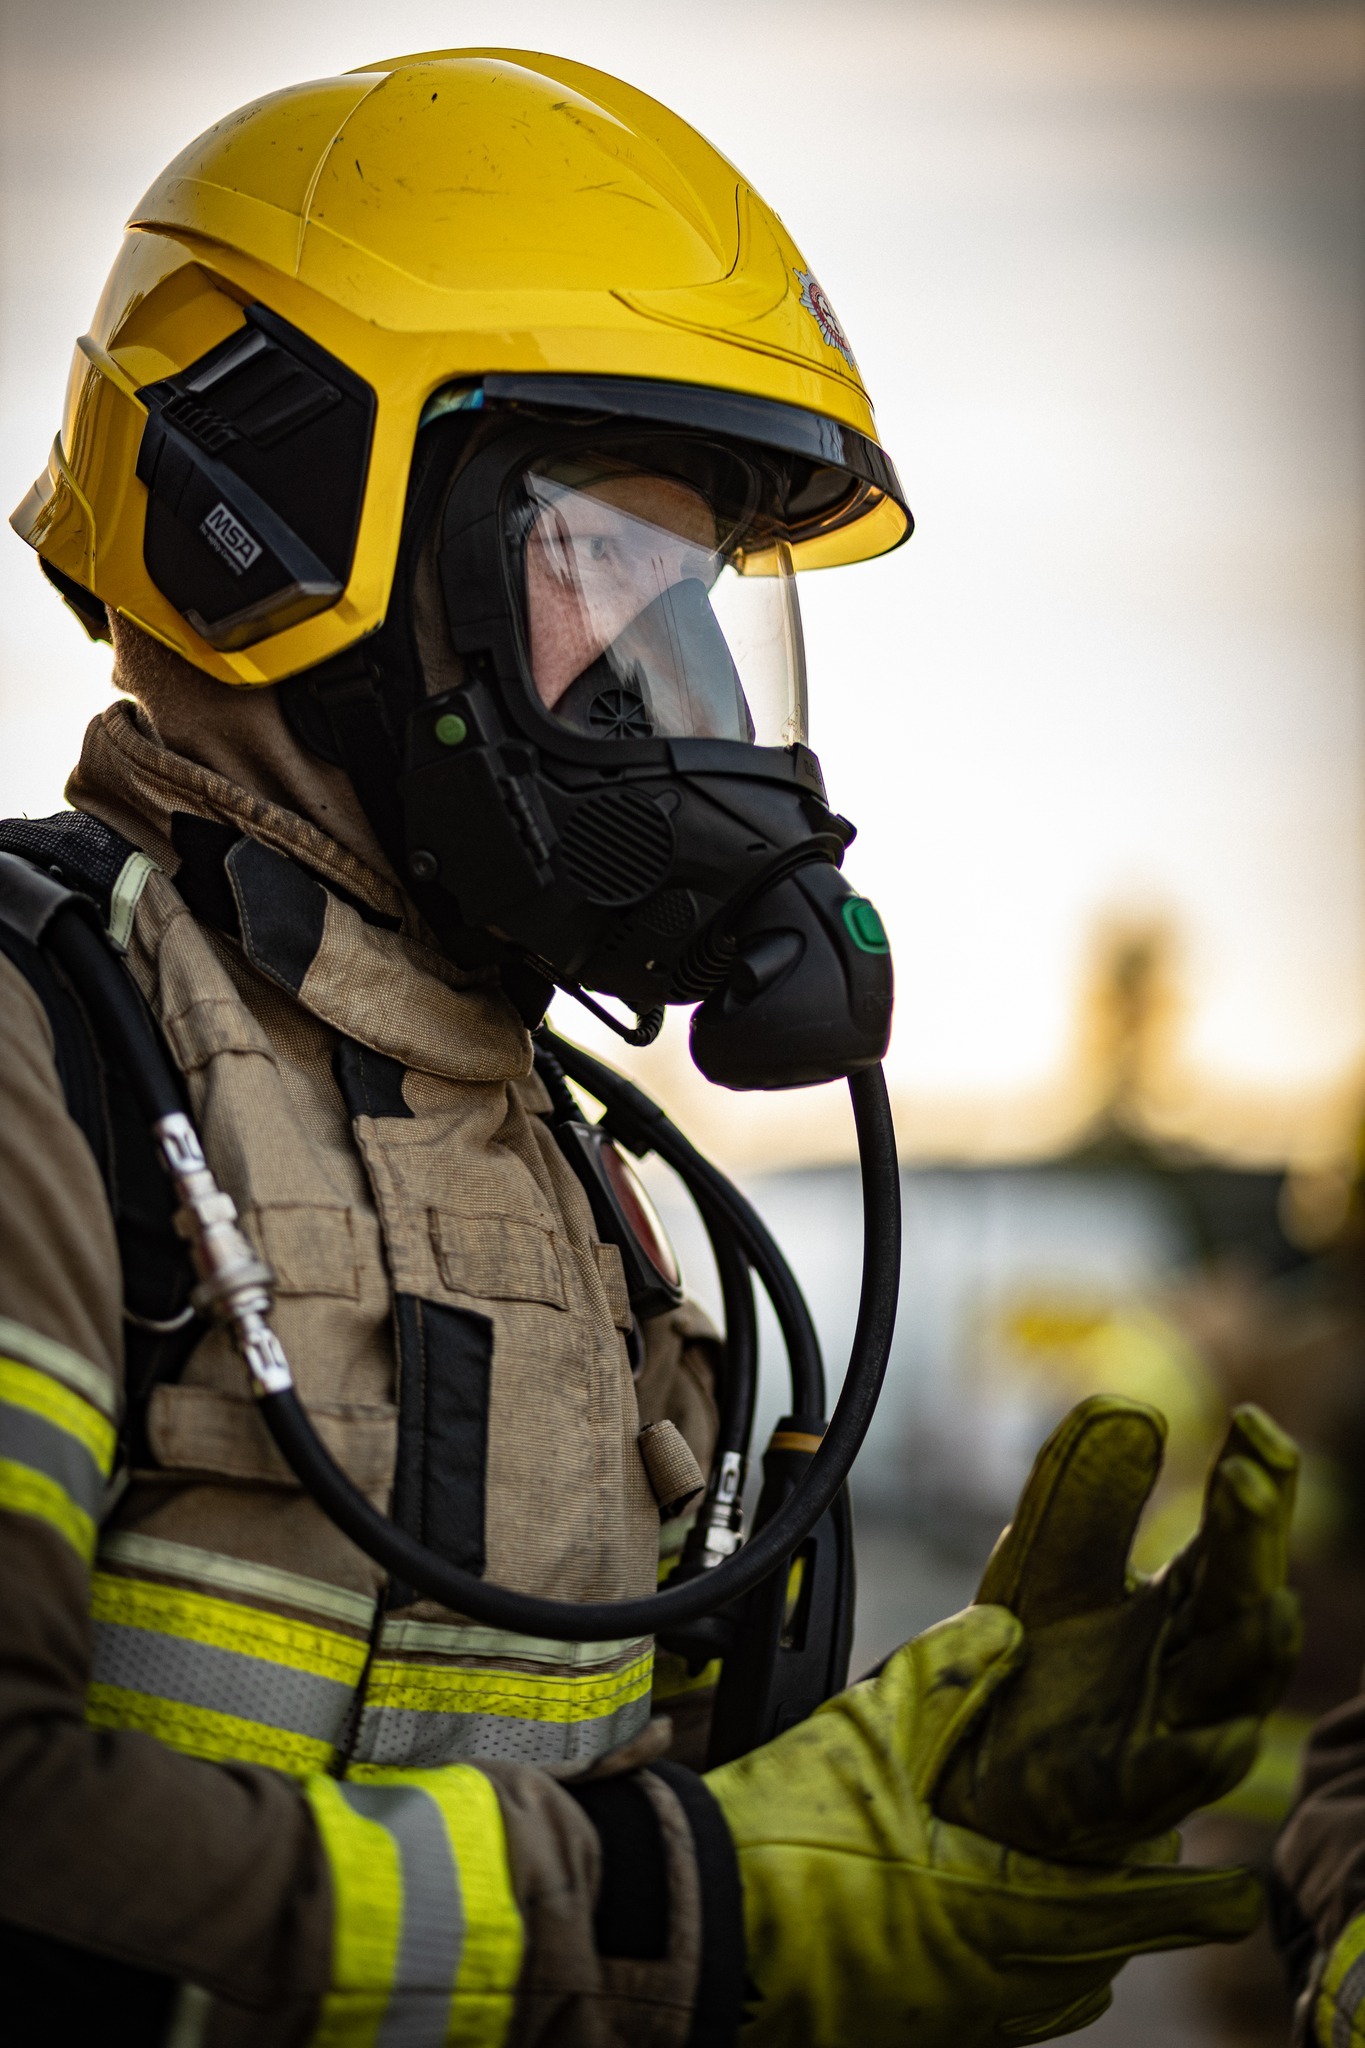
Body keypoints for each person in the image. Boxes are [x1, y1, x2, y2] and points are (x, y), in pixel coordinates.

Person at [0, 47, 1302, 2047]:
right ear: (271, 526)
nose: (670, 687)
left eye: (693, 600)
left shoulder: (583, 1179)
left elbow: (602, 1806)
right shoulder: (49, 1053)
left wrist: (901, 1804)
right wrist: (683, 1904)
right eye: (595, 560)